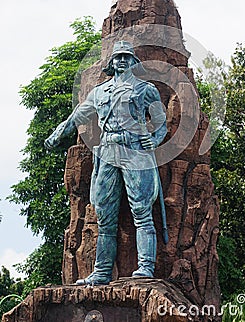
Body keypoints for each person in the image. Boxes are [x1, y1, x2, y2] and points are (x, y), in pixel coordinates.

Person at [45, 40, 167, 285]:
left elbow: (161, 122)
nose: (122, 60)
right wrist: (58, 133)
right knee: (104, 215)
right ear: (111, 63)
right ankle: (101, 272)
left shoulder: (145, 89)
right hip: (108, 151)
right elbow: (78, 115)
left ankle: (145, 267)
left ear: (133, 62)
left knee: (142, 212)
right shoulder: (99, 92)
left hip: (135, 150)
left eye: (126, 57)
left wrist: (154, 140)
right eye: (118, 57)